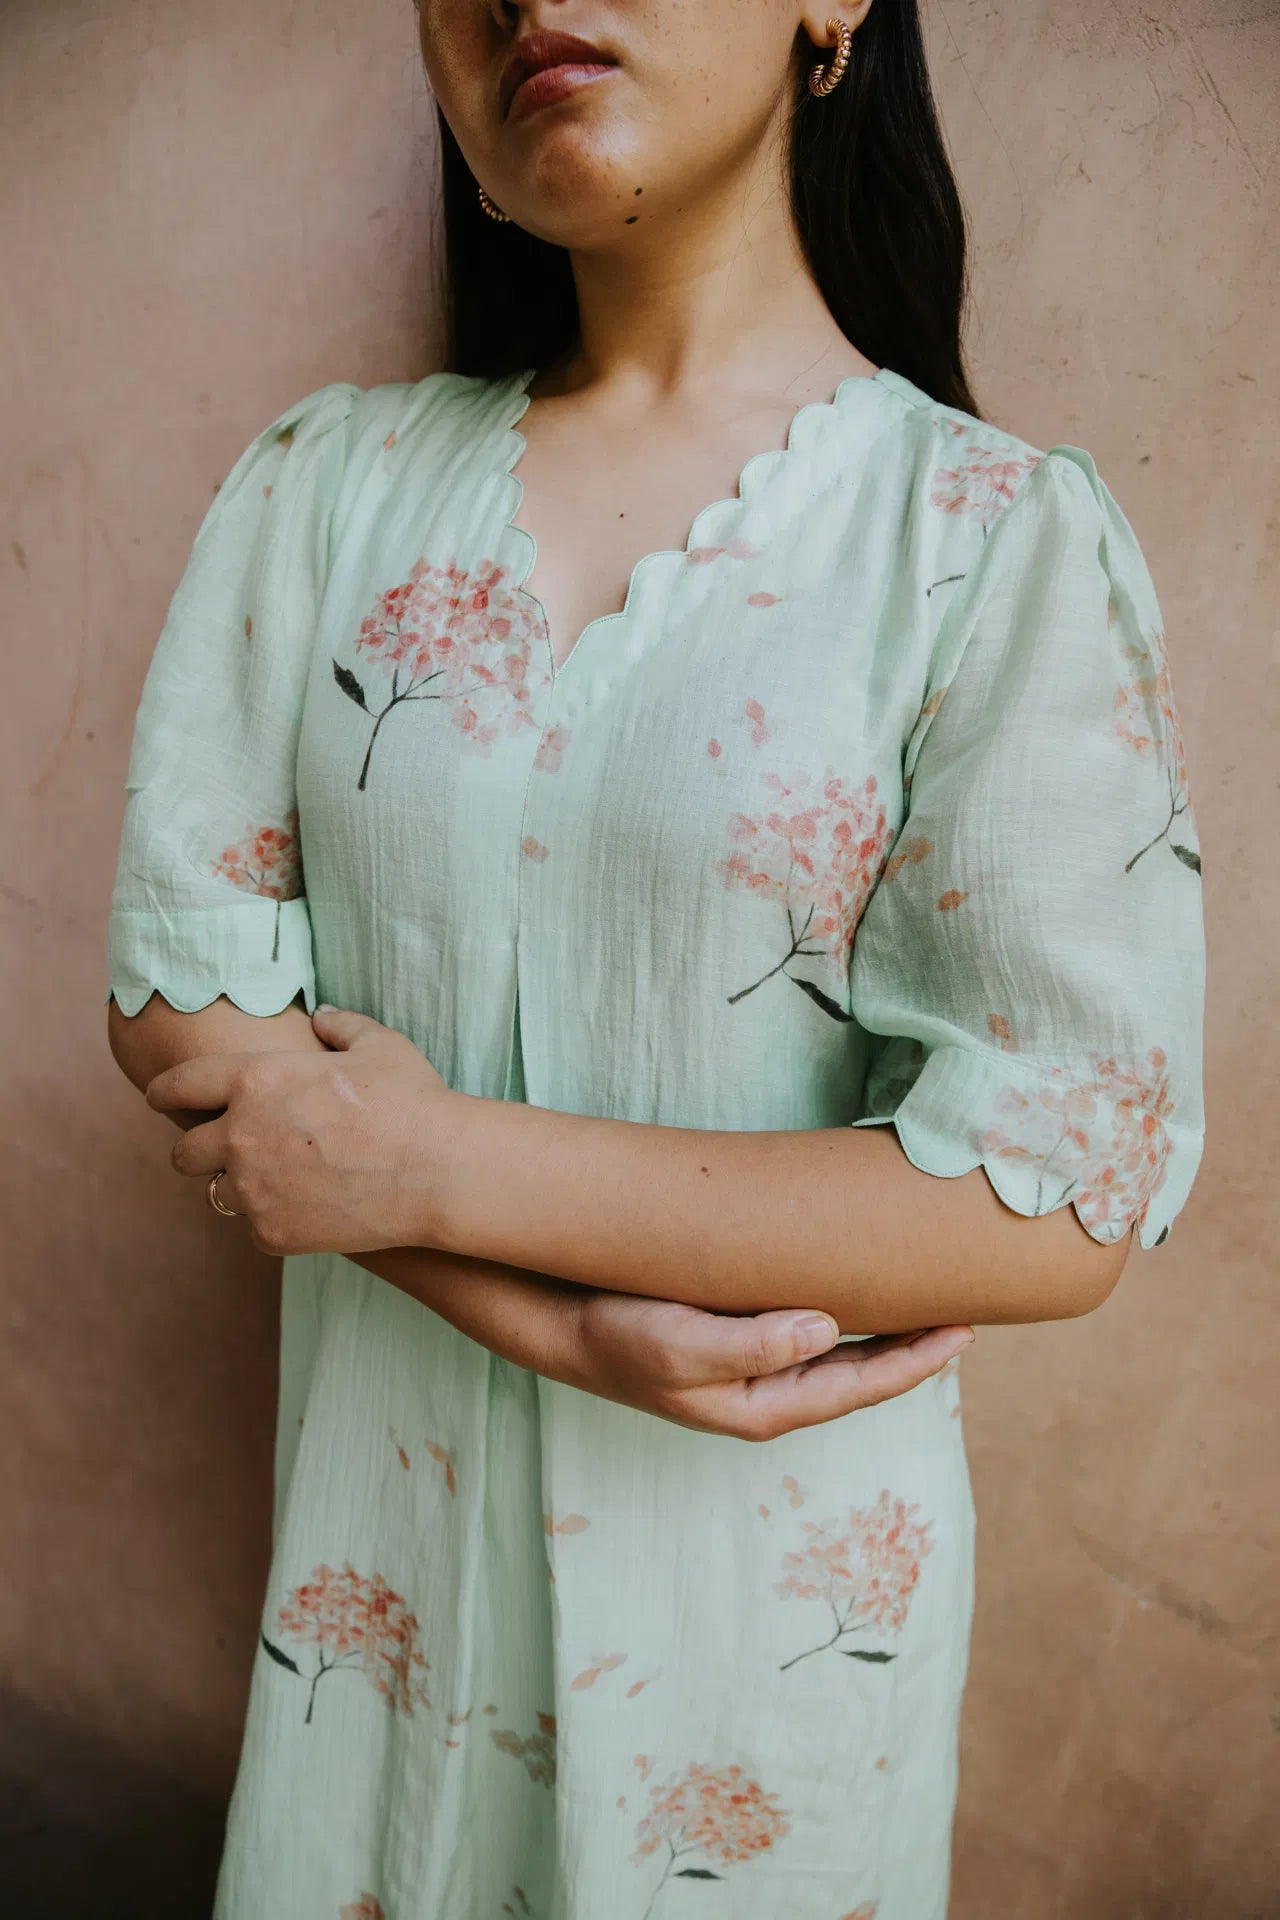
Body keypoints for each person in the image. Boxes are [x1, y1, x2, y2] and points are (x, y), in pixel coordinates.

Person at [104, 4, 1206, 1916]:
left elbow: (1055, 1192)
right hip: (382, 1625)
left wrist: (438, 1166)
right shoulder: (325, 486)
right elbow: (192, 1006)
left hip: (761, 1673)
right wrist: (544, 1319)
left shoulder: (987, 544)